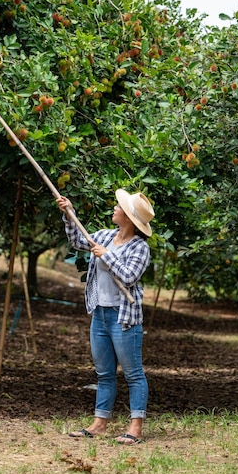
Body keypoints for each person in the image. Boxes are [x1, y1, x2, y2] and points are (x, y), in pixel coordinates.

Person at [56, 189, 154, 445]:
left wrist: (106, 256)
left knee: (133, 373)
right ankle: (100, 423)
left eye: (119, 207)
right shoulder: (106, 236)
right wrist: (69, 214)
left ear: (130, 219)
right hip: (99, 314)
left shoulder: (140, 248)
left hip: (123, 319)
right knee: (104, 374)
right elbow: (78, 241)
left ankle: (136, 428)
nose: (114, 209)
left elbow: (129, 277)